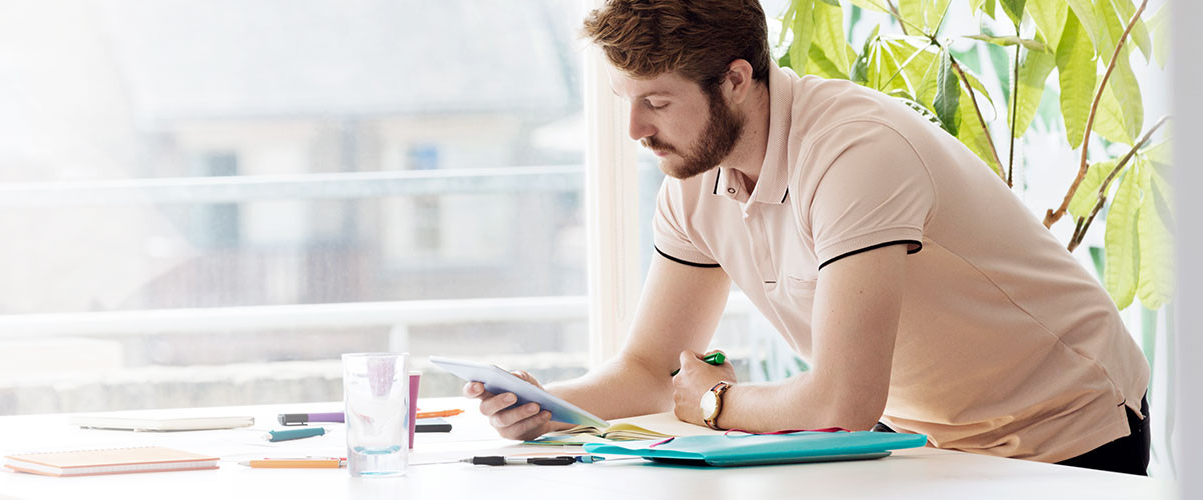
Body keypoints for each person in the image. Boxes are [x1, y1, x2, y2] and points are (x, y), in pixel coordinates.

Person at [464, 0, 1151, 476]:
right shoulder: (694, 180)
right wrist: (550, 408)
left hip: (1066, 428)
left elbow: (842, 404)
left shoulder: (856, 153)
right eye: (627, 102)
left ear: (736, 79)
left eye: (659, 101)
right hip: (930, 441)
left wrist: (716, 403)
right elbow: (652, 370)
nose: (636, 130)